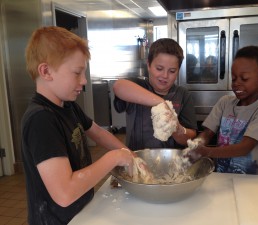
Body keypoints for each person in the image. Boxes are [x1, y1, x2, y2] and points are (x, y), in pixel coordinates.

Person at [21, 26, 134, 225]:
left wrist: (130, 155)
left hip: (78, 215)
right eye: (77, 73)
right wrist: (114, 157)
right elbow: (65, 193)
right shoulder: (41, 120)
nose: (83, 81)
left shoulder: (68, 106)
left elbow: (98, 133)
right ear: (46, 71)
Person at [185, 45, 258, 175]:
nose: (236, 83)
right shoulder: (225, 103)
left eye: (244, 78)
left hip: (257, 183)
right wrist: (195, 146)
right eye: (234, 78)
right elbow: (207, 134)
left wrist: (206, 152)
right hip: (225, 179)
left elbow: (245, 147)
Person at [113, 38, 198, 150]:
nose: (165, 75)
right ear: (148, 65)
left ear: (178, 71)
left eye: (172, 71)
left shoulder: (183, 95)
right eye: (159, 68)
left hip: (172, 160)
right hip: (137, 157)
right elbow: (118, 86)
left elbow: (190, 136)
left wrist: (177, 129)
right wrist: (162, 104)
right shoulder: (138, 86)